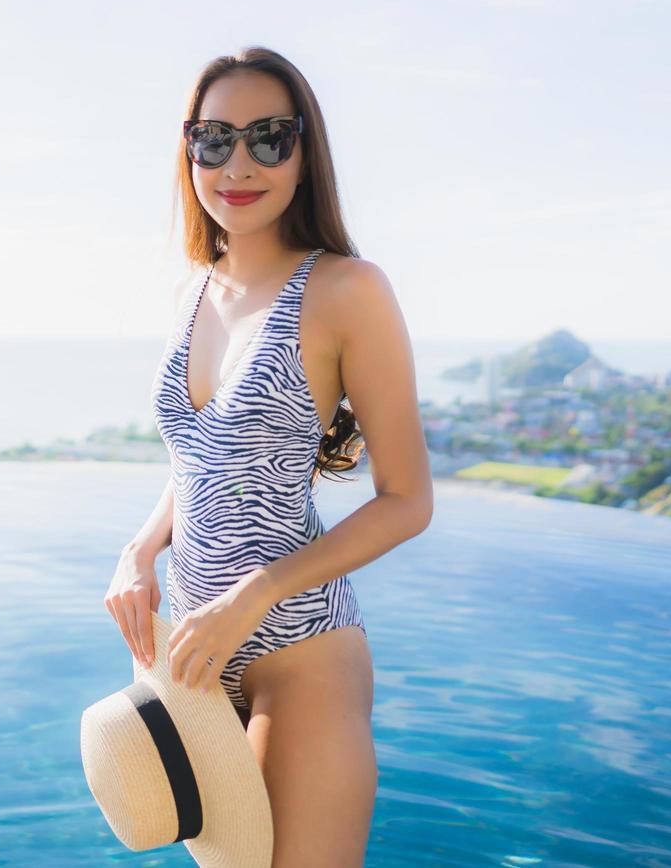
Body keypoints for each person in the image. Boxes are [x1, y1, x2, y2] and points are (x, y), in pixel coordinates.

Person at [104, 46, 433, 868]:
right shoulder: (192, 291)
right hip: (195, 657)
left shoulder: (347, 290)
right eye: (214, 140)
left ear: (304, 152)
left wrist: (254, 596)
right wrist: (140, 550)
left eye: (267, 138)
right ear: (189, 154)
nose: (238, 164)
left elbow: (407, 500)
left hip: (302, 650)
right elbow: (201, 462)